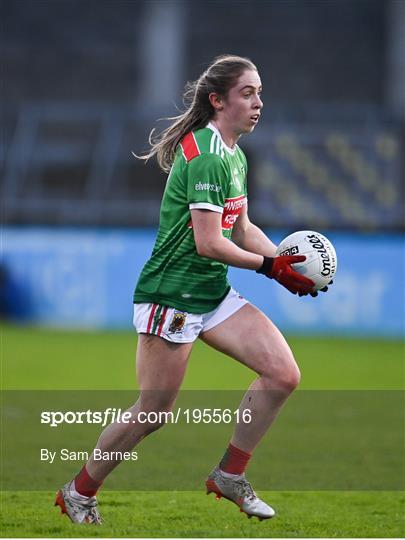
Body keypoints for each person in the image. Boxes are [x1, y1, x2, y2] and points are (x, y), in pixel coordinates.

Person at [55, 54, 328, 525]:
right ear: (217, 100)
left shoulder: (235, 156)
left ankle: (229, 475)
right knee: (153, 413)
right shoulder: (204, 153)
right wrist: (269, 268)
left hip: (211, 293)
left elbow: (240, 229)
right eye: (248, 93)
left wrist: (286, 263)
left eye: (260, 92)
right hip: (171, 296)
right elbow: (208, 243)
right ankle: (79, 492)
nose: (259, 102)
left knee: (282, 374)